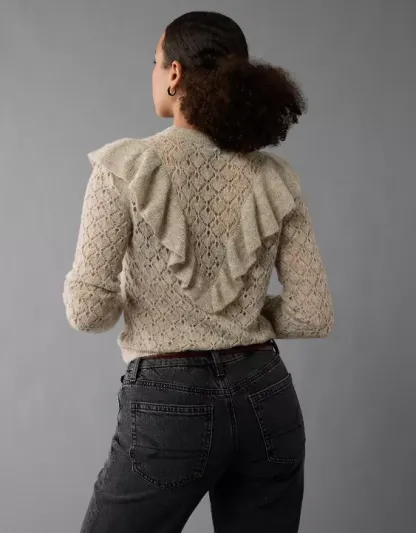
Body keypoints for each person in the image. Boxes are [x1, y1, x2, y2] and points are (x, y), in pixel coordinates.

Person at [63, 10, 334, 533]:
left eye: (154, 62)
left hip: (168, 406)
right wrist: (240, 313)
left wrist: (153, 299)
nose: (153, 73)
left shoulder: (124, 167)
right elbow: (312, 314)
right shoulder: (276, 178)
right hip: (266, 399)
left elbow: (87, 312)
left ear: (175, 73)